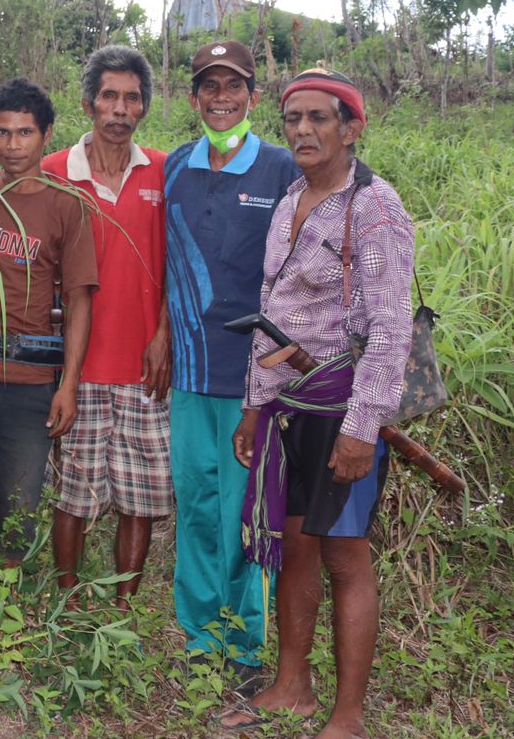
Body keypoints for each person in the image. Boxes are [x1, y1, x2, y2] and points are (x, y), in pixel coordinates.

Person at [220, 69, 414, 739]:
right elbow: (273, 316)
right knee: (298, 545)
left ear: (351, 128)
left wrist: (363, 430)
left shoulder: (374, 208)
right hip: (290, 410)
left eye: (318, 119)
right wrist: (256, 405)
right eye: (292, 119)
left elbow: (390, 330)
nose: (302, 130)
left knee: (344, 555)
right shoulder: (292, 202)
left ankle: (349, 716)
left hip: (341, 410)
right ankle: (292, 687)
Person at [164, 41, 298, 683]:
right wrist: (162, 336)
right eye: (209, 87)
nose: (221, 98)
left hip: (255, 379)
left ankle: (243, 646)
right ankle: (198, 636)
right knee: (195, 502)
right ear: (193, 98)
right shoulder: (174, 168)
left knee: (246, 510)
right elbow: (164, 266)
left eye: (233, 86)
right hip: (190, 370)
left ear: (252, 95)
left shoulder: (279, 168)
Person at [0, 78, 96, 613]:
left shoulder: (65, 206)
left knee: (21, 501)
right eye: (1, 133)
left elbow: (79, 301)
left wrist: (68, 384)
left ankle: (2, 604)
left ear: (46, 135)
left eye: (25, 133)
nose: (12, 144)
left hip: (30, 383)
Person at [39, 45, 170, 606]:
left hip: (145, 363)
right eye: (109, 97)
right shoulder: (53, 173)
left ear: (143, 107)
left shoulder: (165, 171)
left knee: (139, 494)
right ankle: (69, 601)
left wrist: (163, 336)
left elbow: (179, 263)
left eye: (132, 98)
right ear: (88, 102)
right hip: (79, 366)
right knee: (74, 492)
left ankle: (123, 606)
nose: (119, 109)